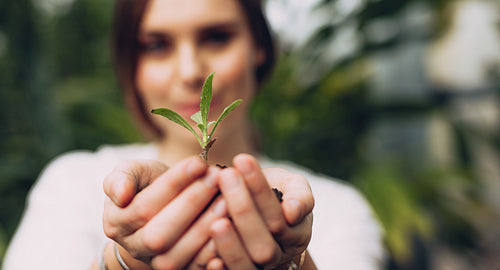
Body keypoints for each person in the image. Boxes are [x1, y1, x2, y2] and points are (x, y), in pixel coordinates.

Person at [2, 0, 385, 269]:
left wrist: (293, 262)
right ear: (131, 65)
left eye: (216, 37)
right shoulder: (75, 185)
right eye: (157, 46)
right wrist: (122, 263)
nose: (189, 71)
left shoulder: (328, 207)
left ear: (260, 48)